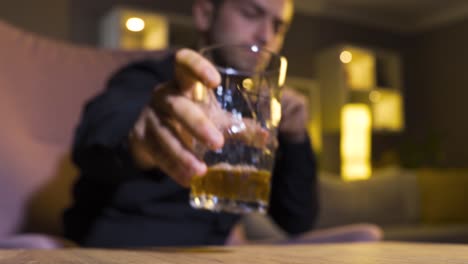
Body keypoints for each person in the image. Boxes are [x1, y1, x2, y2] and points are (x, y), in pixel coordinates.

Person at [63, 0, 380, 247]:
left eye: (278, 26)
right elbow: (93, 139)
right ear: (204, 13)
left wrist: (296, 139)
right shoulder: (149, 78)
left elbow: (296, 220)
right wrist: (146, 135)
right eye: (251, 13)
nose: (266, 35)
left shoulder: (258, 113)